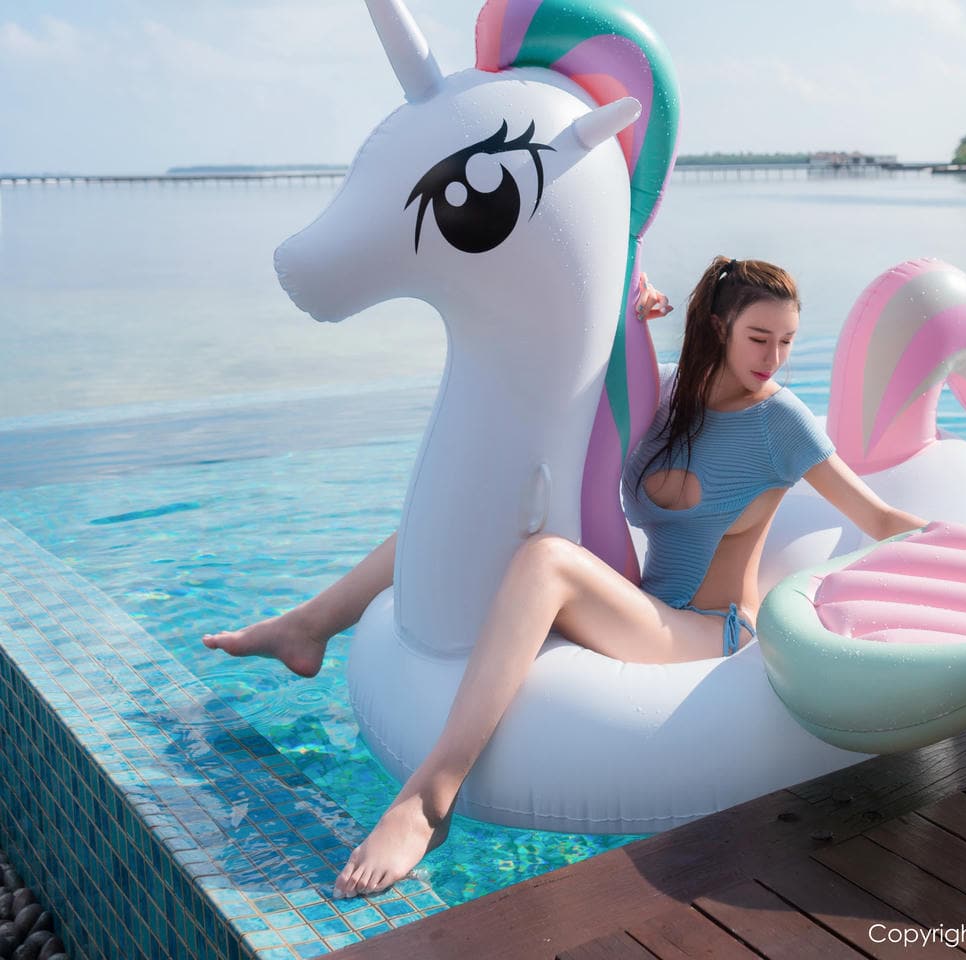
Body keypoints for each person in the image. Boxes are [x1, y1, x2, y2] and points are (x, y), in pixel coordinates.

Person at [204, 256, 927, 898]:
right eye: (759, 338)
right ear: (718, 327)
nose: (774, 358)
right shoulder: (666, 398)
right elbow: (569, 399)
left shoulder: (782, 423)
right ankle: (309, 627)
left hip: (712, 632)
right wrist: (627, 324)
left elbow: (878, 515)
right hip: (646, 604)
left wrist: (947, 549)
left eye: (787, 341)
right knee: (483, 521)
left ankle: (429, 799)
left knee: (545, 560)